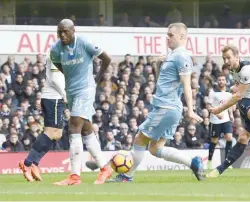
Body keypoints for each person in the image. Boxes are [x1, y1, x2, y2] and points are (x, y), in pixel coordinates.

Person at [107, 22, 205, 182]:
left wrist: (191, 109)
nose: (168, 38)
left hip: (166, 107)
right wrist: (159, 64)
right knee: (155, 148)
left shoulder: (181, 56)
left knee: (139, 139)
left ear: (182, 36)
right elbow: (164, 81)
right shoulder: (172, 56)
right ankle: (193, 163)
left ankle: (126, 175)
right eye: (167, 34)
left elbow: (186, 84)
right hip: (168, 107)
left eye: (171, 35)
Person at [50, 19, 112, 185]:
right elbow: (57, 64)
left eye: (66, 32)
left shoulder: (84, 43)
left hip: (85, 90)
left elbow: (107, 59)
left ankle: (75, 176)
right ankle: (105, 169)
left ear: (73, 30)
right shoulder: (55, 49)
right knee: (86, 131)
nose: (62, 35)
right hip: (71, 91)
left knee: (73, 127)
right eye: (59, 32)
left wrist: (97, 80)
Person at [206, 44, 250, 178]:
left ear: (237, 57)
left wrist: (218, 109)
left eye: (228, 58)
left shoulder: (246, 70)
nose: (226, 61)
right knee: (243, 138)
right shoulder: (234, 70)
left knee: (246, 106)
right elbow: (243, 86)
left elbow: (238, 96)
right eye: (224, 58)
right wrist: (236, 86)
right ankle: (219, 170)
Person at [18, 54, 66, 182]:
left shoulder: (64, 56)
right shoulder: (57, 55)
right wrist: (64, 94)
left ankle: (34, 163)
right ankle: (27, 163)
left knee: (57, 134)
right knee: (50, 133)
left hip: (55, 98)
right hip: (54, 98)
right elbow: (55, 78)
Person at [206, 73, 234, 169]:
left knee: (229, 138)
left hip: (226, 120)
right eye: (219, 80)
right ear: (217, 81)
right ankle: (209, 161)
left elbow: (228, 105)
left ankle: (227, 162)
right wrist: (217, 114)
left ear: (226, 81)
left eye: (223, 80)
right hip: (215, 120)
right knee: (214, 141)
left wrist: (231, 114)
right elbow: (208, 106)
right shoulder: (213, 92)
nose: (221, 81)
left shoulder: (229, 93)